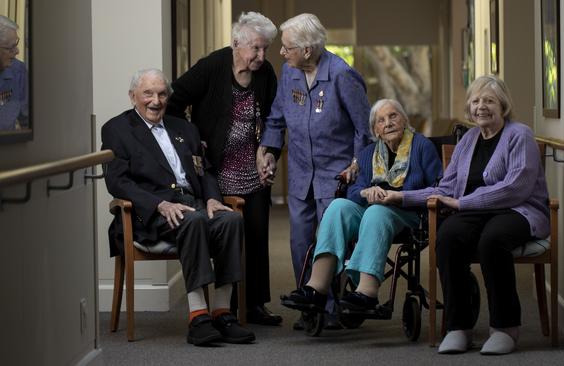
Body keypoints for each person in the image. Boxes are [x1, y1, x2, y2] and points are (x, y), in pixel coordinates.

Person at [385, 75, 550, 355]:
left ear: (503, 105)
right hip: (474, 211)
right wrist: (401, 196)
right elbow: (446, 188)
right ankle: (458, 327)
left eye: (489, 101)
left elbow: (516, 187)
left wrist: (463, 204)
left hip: (517, 211)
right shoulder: (469, 139)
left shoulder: (519, 134)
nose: (481, 107)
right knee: (447, 238)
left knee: (492, 240)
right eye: (475, 101)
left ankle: (505, 328)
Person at [102, 68, 255, 346]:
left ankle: (222, 312)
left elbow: (205, 170)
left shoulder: (184, 127)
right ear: (133, 96)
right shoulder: (117, 129)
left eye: (161, 94)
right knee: (193, 221)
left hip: (195, 204)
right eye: (148, 93)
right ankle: (198, 316)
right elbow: (117, 182)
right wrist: (159, 204)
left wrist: (212, 198)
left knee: (230, 220)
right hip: (150, 214)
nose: (155, 101)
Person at [166, 12, 282, 326]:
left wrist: (269, 152)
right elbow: (174, 100)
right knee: (228, 234)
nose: (261, 56)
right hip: (215, 167)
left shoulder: (265, 73)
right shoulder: (212, 66)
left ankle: (254, 305)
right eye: (256, 48)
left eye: (265, 49)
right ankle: (224, 304)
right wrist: (191, 138)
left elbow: (275, 119)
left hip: (252, 165)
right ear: (236, 44)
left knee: (257, 235)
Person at [256, 13, 371, 329]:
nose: (281, 52)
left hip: (336, 176)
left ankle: (332, 307)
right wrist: (267, 151)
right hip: (300, 173)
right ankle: (311, 305)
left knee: (331, 242)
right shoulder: (289, 72)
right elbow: (277, 118)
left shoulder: (342, 76)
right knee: (299, 242)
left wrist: (357, 166)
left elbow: (364, 131)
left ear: (307, 50)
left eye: (287, 47)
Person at [281, 99, 442, 316]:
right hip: (371, 211)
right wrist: (366, 192)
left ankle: (367, 291)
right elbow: (354, 192)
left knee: (376, 212)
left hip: (409, 214)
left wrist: (399, 196)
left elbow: (436, 189)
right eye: (381, 120)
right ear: (375, 129)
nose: (388, 123)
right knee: (338, 206)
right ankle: (316, 288)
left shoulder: (422, 147)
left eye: (393, 116)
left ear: (404, 120)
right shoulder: (368, 154)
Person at [0, 15, 27, 131]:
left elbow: (28, 124)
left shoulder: (18, 72)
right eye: (11, 47)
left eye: (16, 44)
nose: (17, 51)